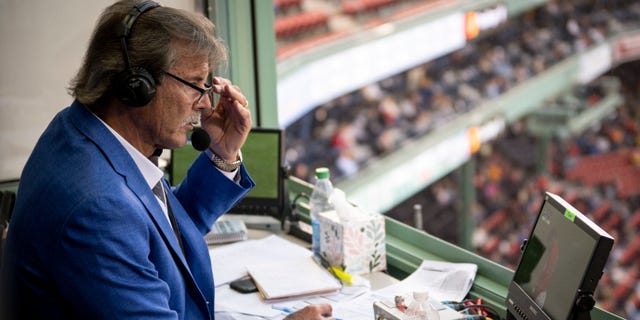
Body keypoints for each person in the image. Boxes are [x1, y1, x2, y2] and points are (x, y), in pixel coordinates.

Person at [0, 1, 333, 319]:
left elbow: (161, 229)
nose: (206, 104)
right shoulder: (98, 207)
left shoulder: (79, 130)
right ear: (137, 85)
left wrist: (221, 152)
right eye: (196, 85)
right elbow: (124, 218)